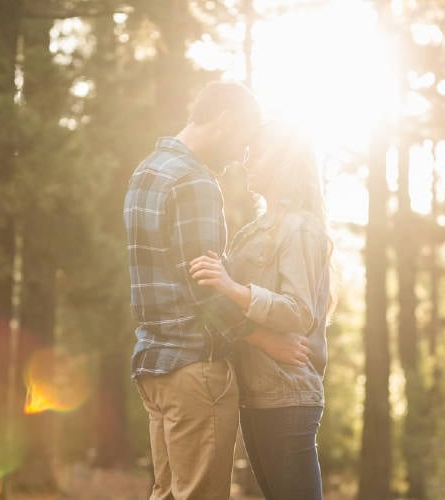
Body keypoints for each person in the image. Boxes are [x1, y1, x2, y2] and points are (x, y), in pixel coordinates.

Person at [124, 83, 310, 500]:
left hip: (156, 367)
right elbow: (205, 289)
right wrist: (266, 339)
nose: (240, 157)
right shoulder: (195, 183)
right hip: (196, 369)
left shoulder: (148, 171)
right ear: (226, 121)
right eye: (243, 140)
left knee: (168, 493)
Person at [190, 122, 335, 500]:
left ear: (283, 162)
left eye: (257, 152)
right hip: (254, 394)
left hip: (287, 395)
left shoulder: (299, 228)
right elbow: (220, 307)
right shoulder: (253, 232)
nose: (246, 160)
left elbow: (299, 312)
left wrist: (231, 287)